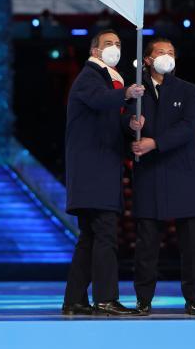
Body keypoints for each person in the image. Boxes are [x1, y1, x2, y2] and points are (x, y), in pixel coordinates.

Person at [61, 29, 145, 316]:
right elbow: (99, 101)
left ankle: (74, 300)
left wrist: (129, 127)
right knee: (105, 234)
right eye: (108, 44)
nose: (115, 48)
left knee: (90, 238)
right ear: (95, 51)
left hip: (96, 171)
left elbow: (107, 121)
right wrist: (127, 93)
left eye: (119, 44)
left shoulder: (106, 82)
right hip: (92, 172)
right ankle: (106, 298)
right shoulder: (90, 78)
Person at [127, 38, 195, 316]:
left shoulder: (188, 91)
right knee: (147, 243)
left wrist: (155, 142)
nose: (167, 56)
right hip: (149, 174)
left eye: (171, 52)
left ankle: (193, 299)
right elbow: (122, 127)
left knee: (191, 245)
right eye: (161, 52)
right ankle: (143, 300)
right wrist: (131, 126)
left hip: (181, 173)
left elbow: (188, 127)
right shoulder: (135, 93)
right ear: (147, 60)